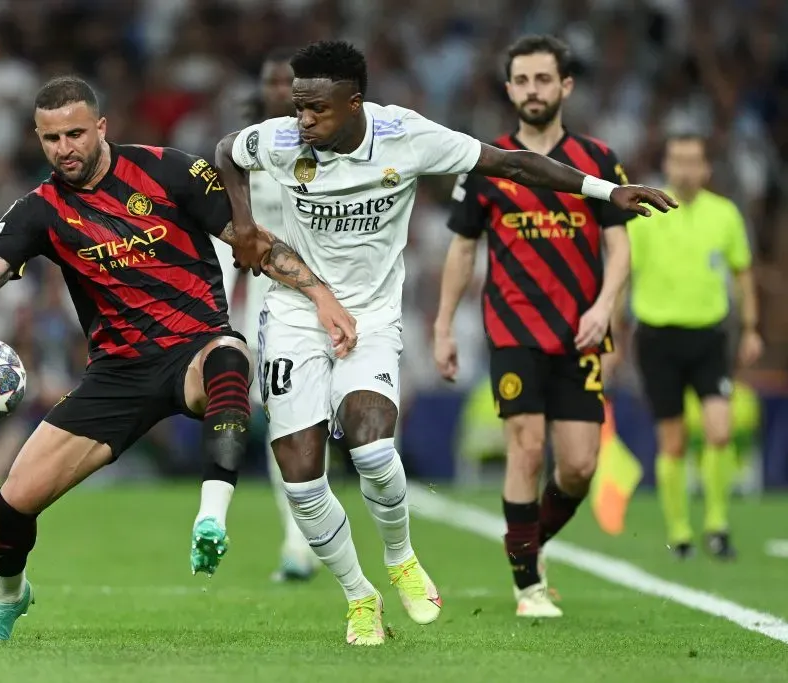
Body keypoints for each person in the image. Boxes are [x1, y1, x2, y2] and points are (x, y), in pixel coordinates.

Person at [216, 40, 674, 644]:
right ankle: (360, 596)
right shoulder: (279, 140)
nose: (301, 121)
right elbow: (226, 152)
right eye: (297, 108)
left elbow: (512, 165)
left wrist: (605, 192)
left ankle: (402, 558)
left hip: (373, 318)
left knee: (372, 447)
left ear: (355, 104)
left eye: (315, 111)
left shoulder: (407, 136)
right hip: (295, 315)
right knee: (301, 477)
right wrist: (244, 221)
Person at [0, 76, 357, 642]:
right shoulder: (40, 210)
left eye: (75, 133)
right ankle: (9, 595)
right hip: (117, 374)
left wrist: (320, 293)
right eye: (51, 138)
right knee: (12, 508)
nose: (65, 148)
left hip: (194, 347)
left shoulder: (169, 171)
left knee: (231, 358)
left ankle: (211, 516)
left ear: (101, 127)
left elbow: (251, 239)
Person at [435, 34, 644, 618]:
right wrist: (444, 326)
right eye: (522, 80)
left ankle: (528, 543)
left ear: (565, 86)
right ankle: (528, 586)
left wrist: (605, 309)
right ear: (508, 89)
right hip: (513, 328)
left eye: (543, 80)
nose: (532, 90)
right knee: (525, 448)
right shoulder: (486, 163)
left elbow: (619, 247)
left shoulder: (599, 161)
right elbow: (461, 250)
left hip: (580, 330)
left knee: (578, 466)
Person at [617, 133, 762, 560]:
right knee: (673, 440)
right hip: (657, 337)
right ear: (667, 165)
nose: (684, 169)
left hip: (709, 335)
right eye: (676, 160)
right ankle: (680, 533)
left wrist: (751, 328)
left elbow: (743, 273)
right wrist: (613, 330)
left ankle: (717, 525)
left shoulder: (725, 215)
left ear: (706, 168)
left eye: (692, 161)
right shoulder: (646, 213)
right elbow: (623, 273)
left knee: (720, 429)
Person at [212, 48, 324, 582]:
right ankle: (297, 542)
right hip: (273, 303)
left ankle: (322, 527)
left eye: (289, 81)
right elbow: (231, 240)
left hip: (334, 297)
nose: (280, 90)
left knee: (340, 420)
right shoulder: (245, 155)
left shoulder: (332, 148)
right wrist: (216, 314)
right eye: (271, 80)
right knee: (286, 421)